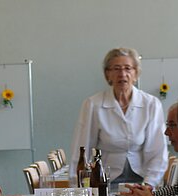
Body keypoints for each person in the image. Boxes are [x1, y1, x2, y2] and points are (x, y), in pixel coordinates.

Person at [71, 47, 167, 186]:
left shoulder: (151, 104)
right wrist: (77, 187)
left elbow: (157, 151)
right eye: (116, 69)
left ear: (136, 74)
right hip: (104, 181)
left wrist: (149, 185)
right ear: (108, 74)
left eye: (128, 68)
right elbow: (81, 150)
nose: (122, 74)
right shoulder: (93, 104)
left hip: (142, 180)